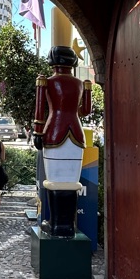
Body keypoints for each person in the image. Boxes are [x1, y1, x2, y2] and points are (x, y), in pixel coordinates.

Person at [32, 45, 92, 236]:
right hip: (76, 135)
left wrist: (37, 133)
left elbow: (39, 110)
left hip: (54, 132)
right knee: (71, 182)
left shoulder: (47, 81)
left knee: (54, 180)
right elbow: (85, 111)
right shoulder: (80, 83)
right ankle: (68, 225)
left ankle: (56, 224)